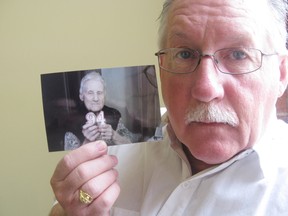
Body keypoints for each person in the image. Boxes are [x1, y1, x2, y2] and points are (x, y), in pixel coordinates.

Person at [49, 0, 288, 215]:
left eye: (238, 54)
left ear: (281, 74)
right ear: (161, 67)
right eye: (184, 54)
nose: (206, 89)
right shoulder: (117, 145)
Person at [64, 71, 133, 150]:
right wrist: (88, 141)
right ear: (81, 96)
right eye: (90, 93)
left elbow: (130, 145)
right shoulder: (72, 120)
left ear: (104, 95)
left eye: (99, 93)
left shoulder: (114, 114)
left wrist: (114, 135)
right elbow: (71, 159)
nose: (96, 98)